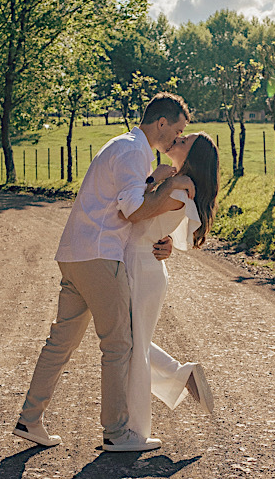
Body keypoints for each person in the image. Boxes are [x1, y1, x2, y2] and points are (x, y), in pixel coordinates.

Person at [13, 93, 190, 452]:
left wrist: (152, 180)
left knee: (61, 340)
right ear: (161, 123)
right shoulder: (133, 152)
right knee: (119, 343)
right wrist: (169, 185)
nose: (177, 137)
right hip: (100, 255)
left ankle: (30, 419)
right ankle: (117, 431)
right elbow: (130, 210)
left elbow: (121, 197)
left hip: (76, 253)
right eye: (178, 130)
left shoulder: (125, 146)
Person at [123, 132, 220, 439]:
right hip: (146, 264)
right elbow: (170, 234)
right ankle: (182, 375)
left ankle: (136, 429)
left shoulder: (178, 191)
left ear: (191, 158)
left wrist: (155, 179)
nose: (175, 141)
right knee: (128, 342)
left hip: (141, 266)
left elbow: (133, 210)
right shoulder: (180, 188)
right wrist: (161, 238)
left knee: (132, 347)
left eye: (182, 142)